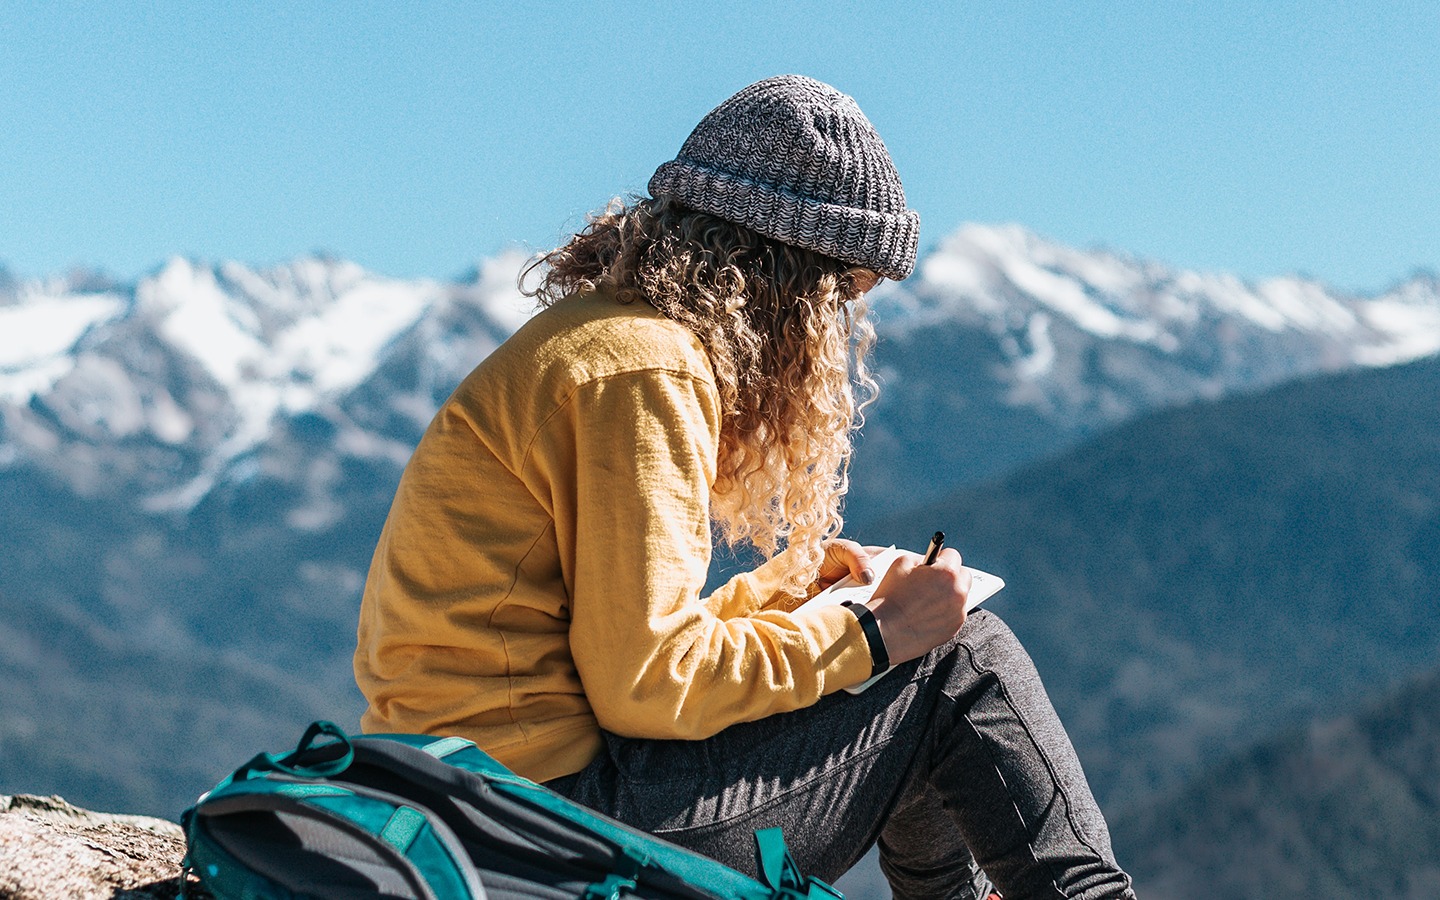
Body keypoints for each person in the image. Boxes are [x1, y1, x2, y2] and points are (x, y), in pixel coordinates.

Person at [355, 75, 1135, 899]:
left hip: (469, 801)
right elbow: (646, 685)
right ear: (789, 283)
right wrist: (874, 633)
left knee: (918, 670)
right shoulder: (646, 372)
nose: (839, 332)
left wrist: (791, 593)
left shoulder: (596, 343)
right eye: (842, 298)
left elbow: (614, 647)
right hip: (545, 824)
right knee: (960, 656)